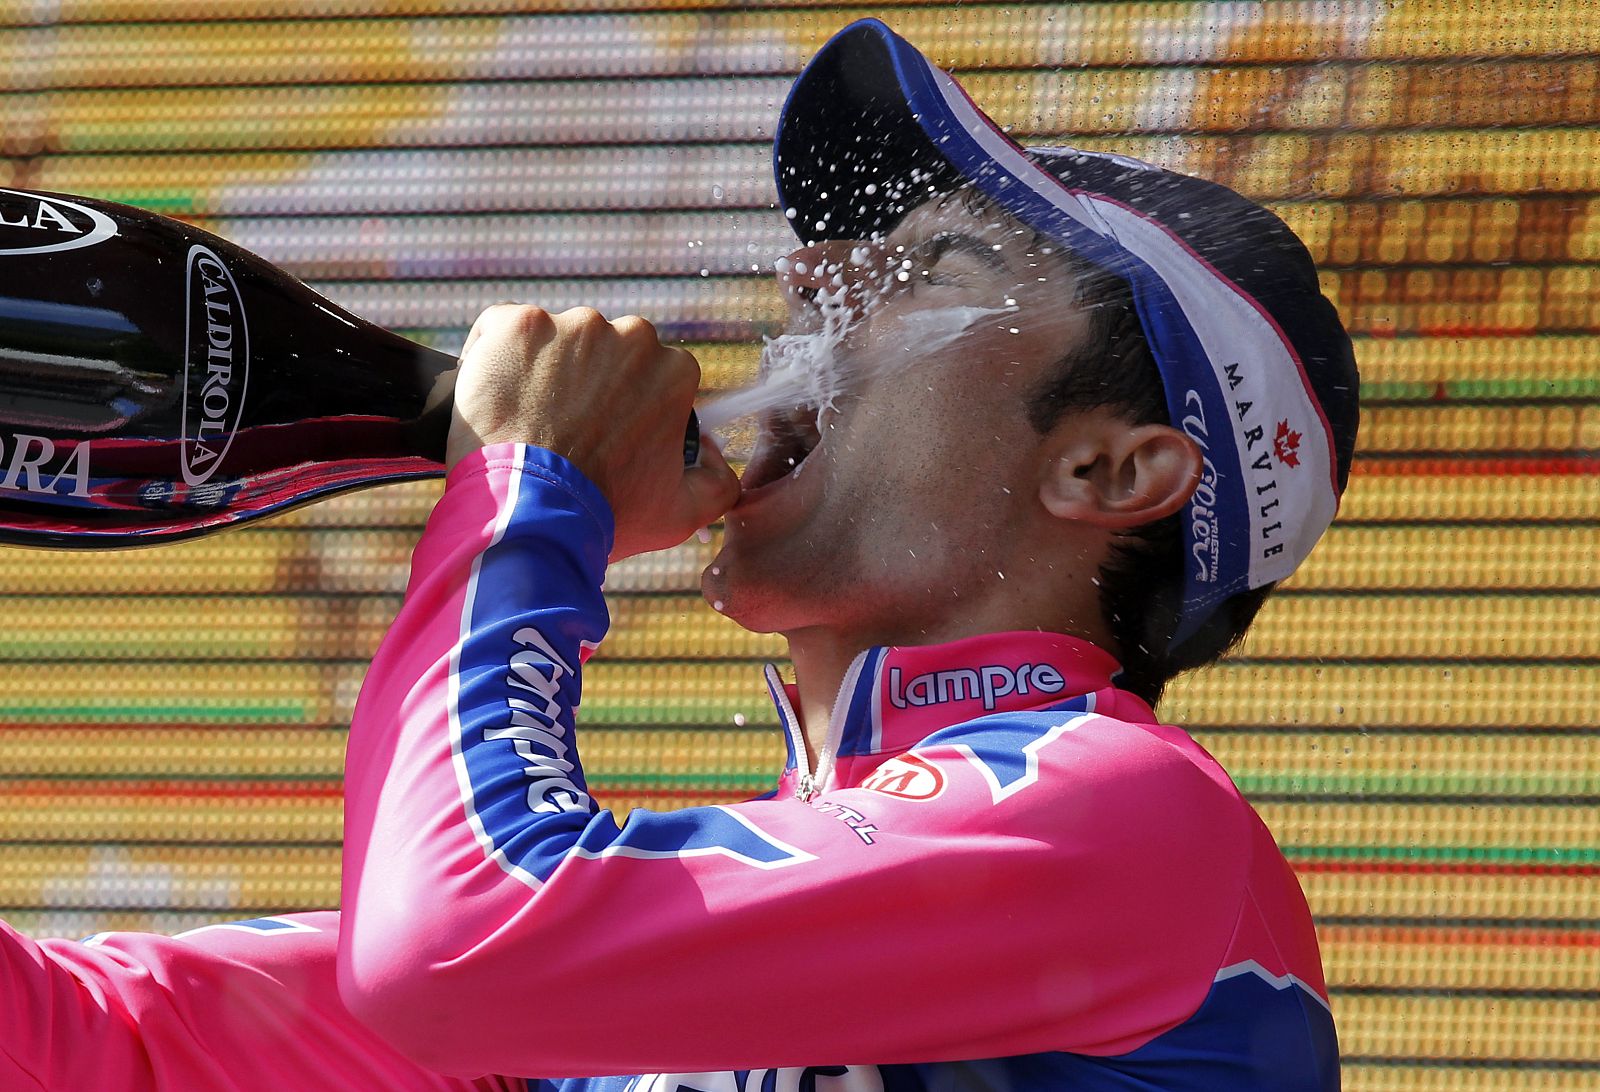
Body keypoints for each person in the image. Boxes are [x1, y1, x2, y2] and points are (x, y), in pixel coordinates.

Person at [1, 20, 1356, 1092]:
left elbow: (453, 952)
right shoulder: (672, 967)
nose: (815, 282)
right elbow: (72, 1041)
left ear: (1108, 471)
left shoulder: (1130, 815)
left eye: (932, 268)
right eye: (830, 256)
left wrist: (528, 490)